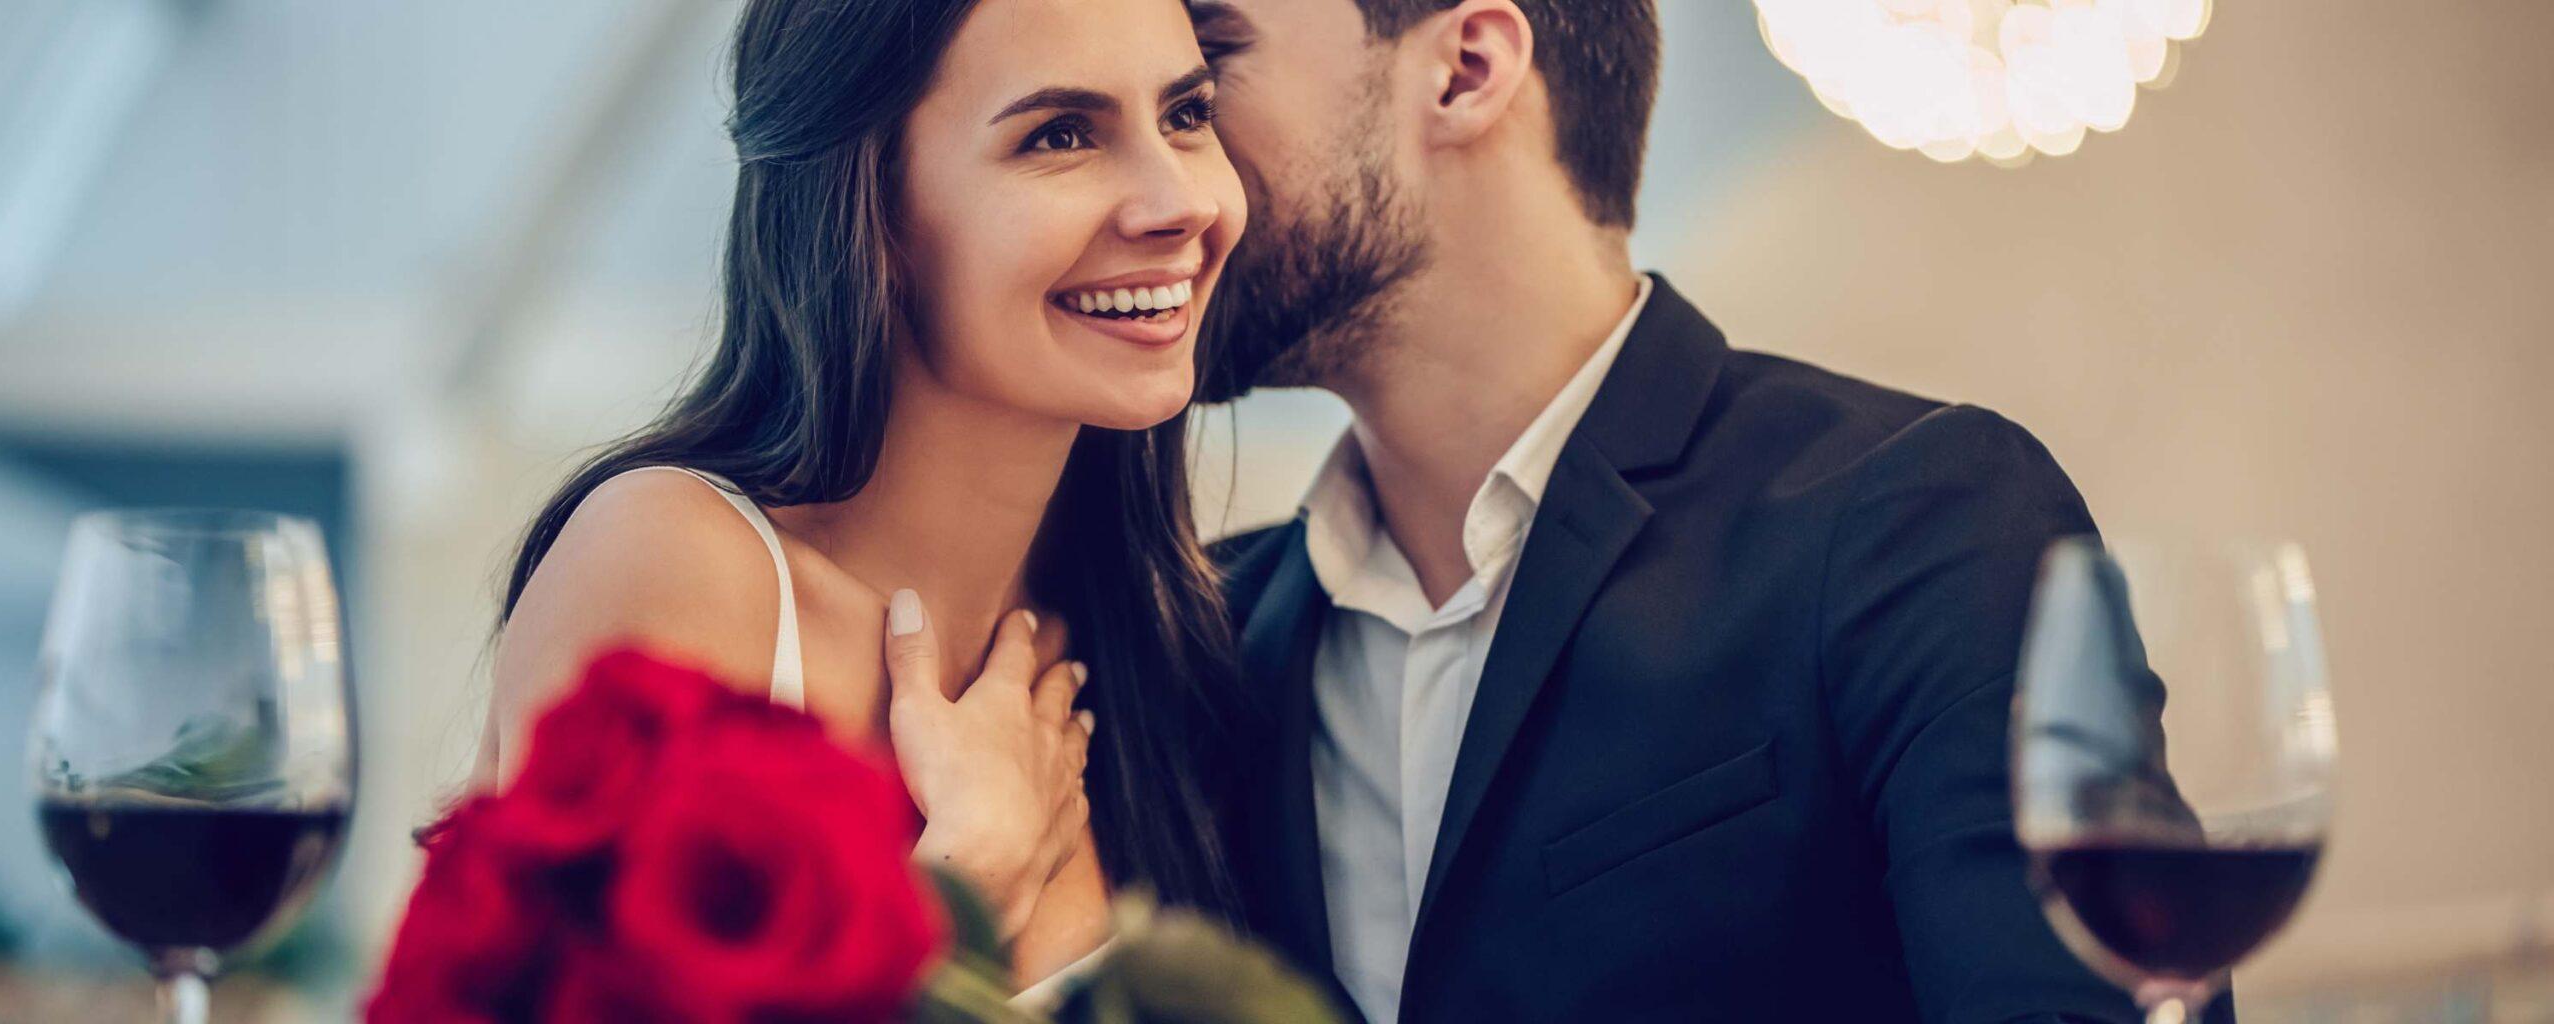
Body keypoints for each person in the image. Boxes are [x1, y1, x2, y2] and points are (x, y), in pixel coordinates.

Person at [1190, 1, 2201, 1021]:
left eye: (1209, 60)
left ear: (1465, 67)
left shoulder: (1922, 517)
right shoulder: (1200, 641)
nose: (1166, 157)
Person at [472, 0, 1248, 991]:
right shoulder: (677, 564)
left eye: (1186, 114)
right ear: (867, 202)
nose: (1178, 201)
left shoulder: (1168, 642)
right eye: (1060, 134)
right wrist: (973, 880)